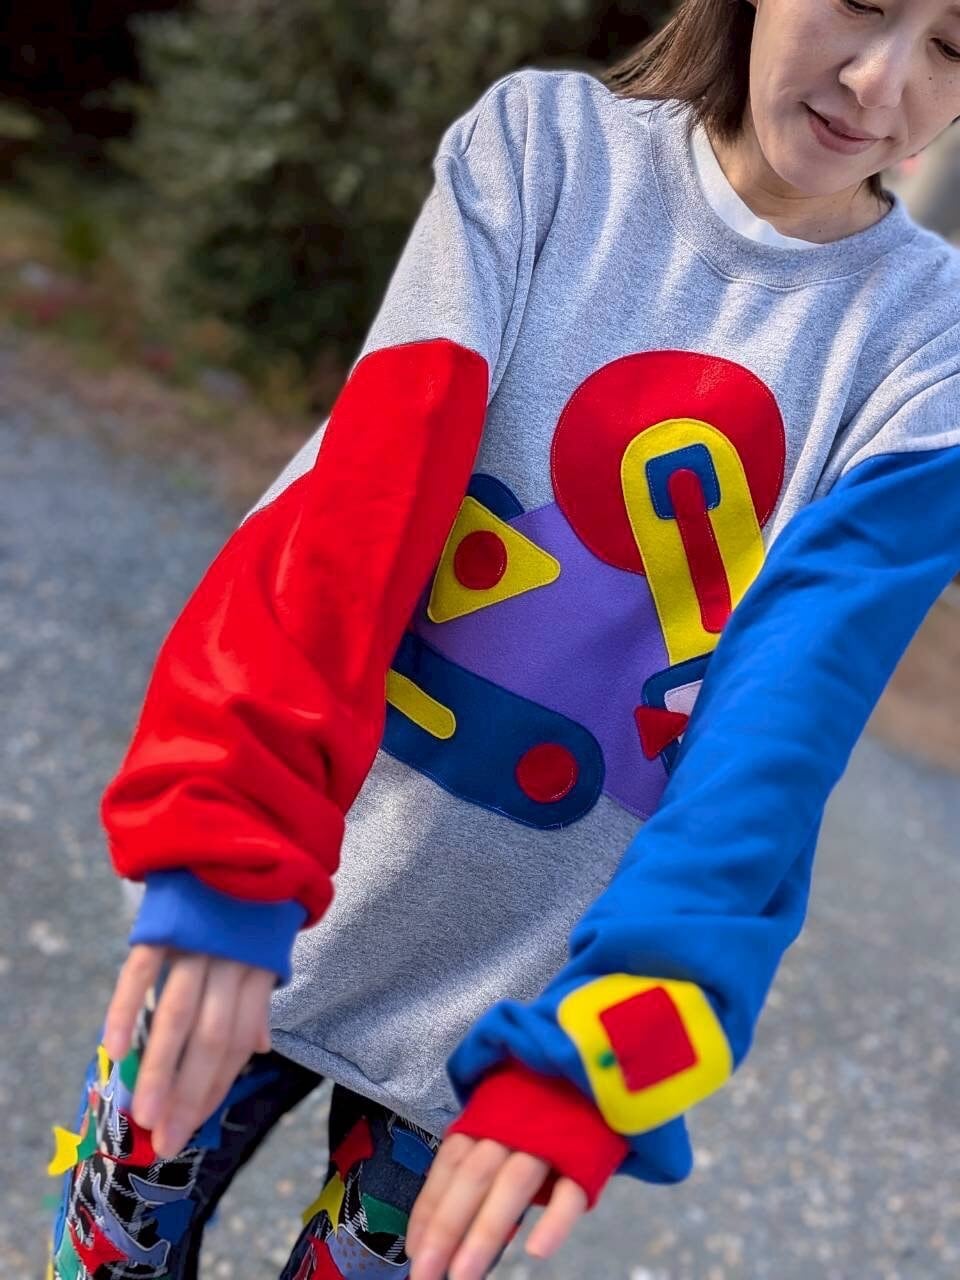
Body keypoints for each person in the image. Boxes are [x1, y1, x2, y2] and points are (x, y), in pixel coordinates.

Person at [46, 1, 960, 1278]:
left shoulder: (932, 349)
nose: (879, 78)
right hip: (286, 885)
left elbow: (783, 732)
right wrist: (227, 831)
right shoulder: (543, 152)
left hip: (517, 1011)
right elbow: (354, 509)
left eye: (954, 48)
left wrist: (619, 1032)